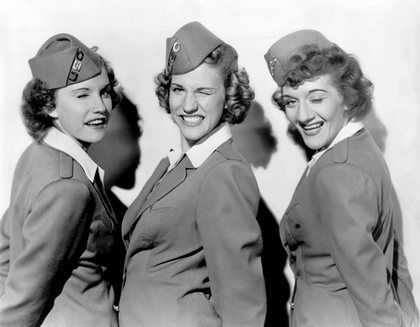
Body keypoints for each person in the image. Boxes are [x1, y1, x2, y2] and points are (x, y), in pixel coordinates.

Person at [264, 29, 419, 326]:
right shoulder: (357, 149)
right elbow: (392, 261)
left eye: (316, 98)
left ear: (346, 98)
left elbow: (371, 289)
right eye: (291, 102)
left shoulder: (338, 172)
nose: (303, 115)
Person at [119, 22, 266, 327]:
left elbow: (243, 304)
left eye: (203, 91)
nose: (187, 105)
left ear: (228, 95)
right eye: (178, 89)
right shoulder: (177, 164)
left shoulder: (223, 172)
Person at [0, 33, 123, 327]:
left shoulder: (37, 154)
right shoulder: (68, 188)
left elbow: (5, 255)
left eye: (104, 92)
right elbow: (23, 301)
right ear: (50, 106)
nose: (101, 107)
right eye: (82, 95)